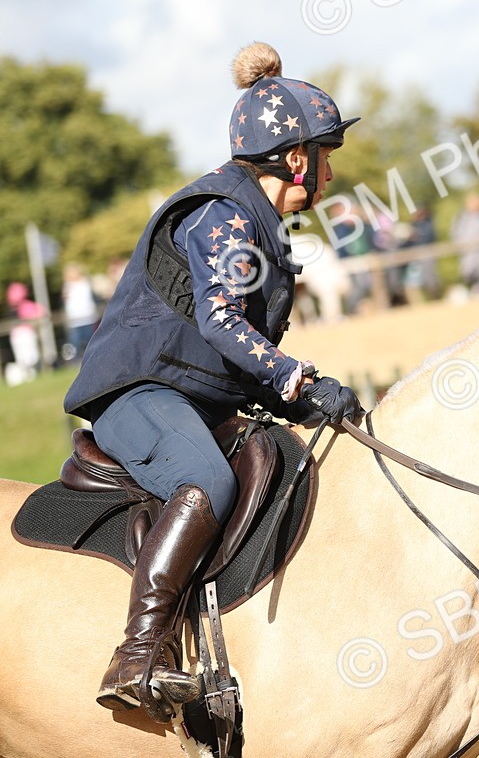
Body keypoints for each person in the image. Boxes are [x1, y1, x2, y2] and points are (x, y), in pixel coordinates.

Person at [63, 42, 363, 723]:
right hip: (137, 390)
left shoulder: (261, 222)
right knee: (211, 483)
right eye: (326, 153)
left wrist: (294, 400)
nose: (330, 167)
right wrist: (298, 379)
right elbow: (223, 324)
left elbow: (220, 352)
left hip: (189, 392)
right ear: (296, 160)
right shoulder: (222, 214)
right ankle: (137, 654)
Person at [62, 262, 99, 362]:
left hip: (87, 316)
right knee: (75, 343)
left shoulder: (85, 283)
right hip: (75, 319)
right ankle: (76, 361)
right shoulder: (68, 286)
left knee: (90, 340)